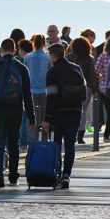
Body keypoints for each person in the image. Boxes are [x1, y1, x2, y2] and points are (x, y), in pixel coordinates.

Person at [0, 38, 35, 186]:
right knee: (14, 143)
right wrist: (32, 118)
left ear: (1, 50)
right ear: (14, 51)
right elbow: (27, 94)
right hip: (15, 109)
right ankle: (13, 175)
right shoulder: (21, 68)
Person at [41, 43, 85, 189]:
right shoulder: (76, 68)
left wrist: (47, 118)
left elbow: (51, 97)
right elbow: (83, 93)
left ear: (53, 56)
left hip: (59, 113)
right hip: (75, 111)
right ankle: (67, 174)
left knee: (57, 144)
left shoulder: (52, 72)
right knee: (70, 144)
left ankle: (57, 173)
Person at [66, 37, 98, 144]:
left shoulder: (68, 57)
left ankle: (71, 132)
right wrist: (95, 88)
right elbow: (92, 75)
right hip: (86, 87)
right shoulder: (89, 58)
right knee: (83, 110)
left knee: (71, 109)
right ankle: (80, 134)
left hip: (69, 86)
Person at [24, 34, 51, 144]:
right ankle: (44, 141)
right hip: (44, 90)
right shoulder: (48, 57)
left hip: (31, 90)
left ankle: (32, 142)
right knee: (45, 119)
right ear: (44, 43)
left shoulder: (27, 57)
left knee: (32, 119)